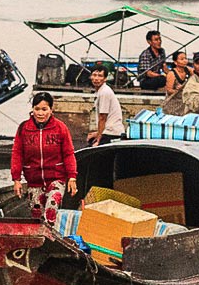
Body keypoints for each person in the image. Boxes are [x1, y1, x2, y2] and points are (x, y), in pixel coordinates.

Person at [10, 92, 77, 223]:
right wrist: (16, 179)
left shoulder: (60, 128)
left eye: (44, 109)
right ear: (32, 109)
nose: (40, 113)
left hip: (56, 179)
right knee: (36, 214)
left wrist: (72, 177)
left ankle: (50, 236)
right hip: (34, 181)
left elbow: (68, 153)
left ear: (51, 110)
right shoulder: (24, 129)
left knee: (51, 207)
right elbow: (17, 153)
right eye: (37, 109)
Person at [87, 65, 124, 145]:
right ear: (90, 76)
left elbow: (103, 117)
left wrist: (99, 138)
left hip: (112, 133)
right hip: (107, 131)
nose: (96, 79)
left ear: (105, 78)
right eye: (94, 75)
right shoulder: (100, 91)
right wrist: (97, 133)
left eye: (100, 76)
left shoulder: (105, 92)